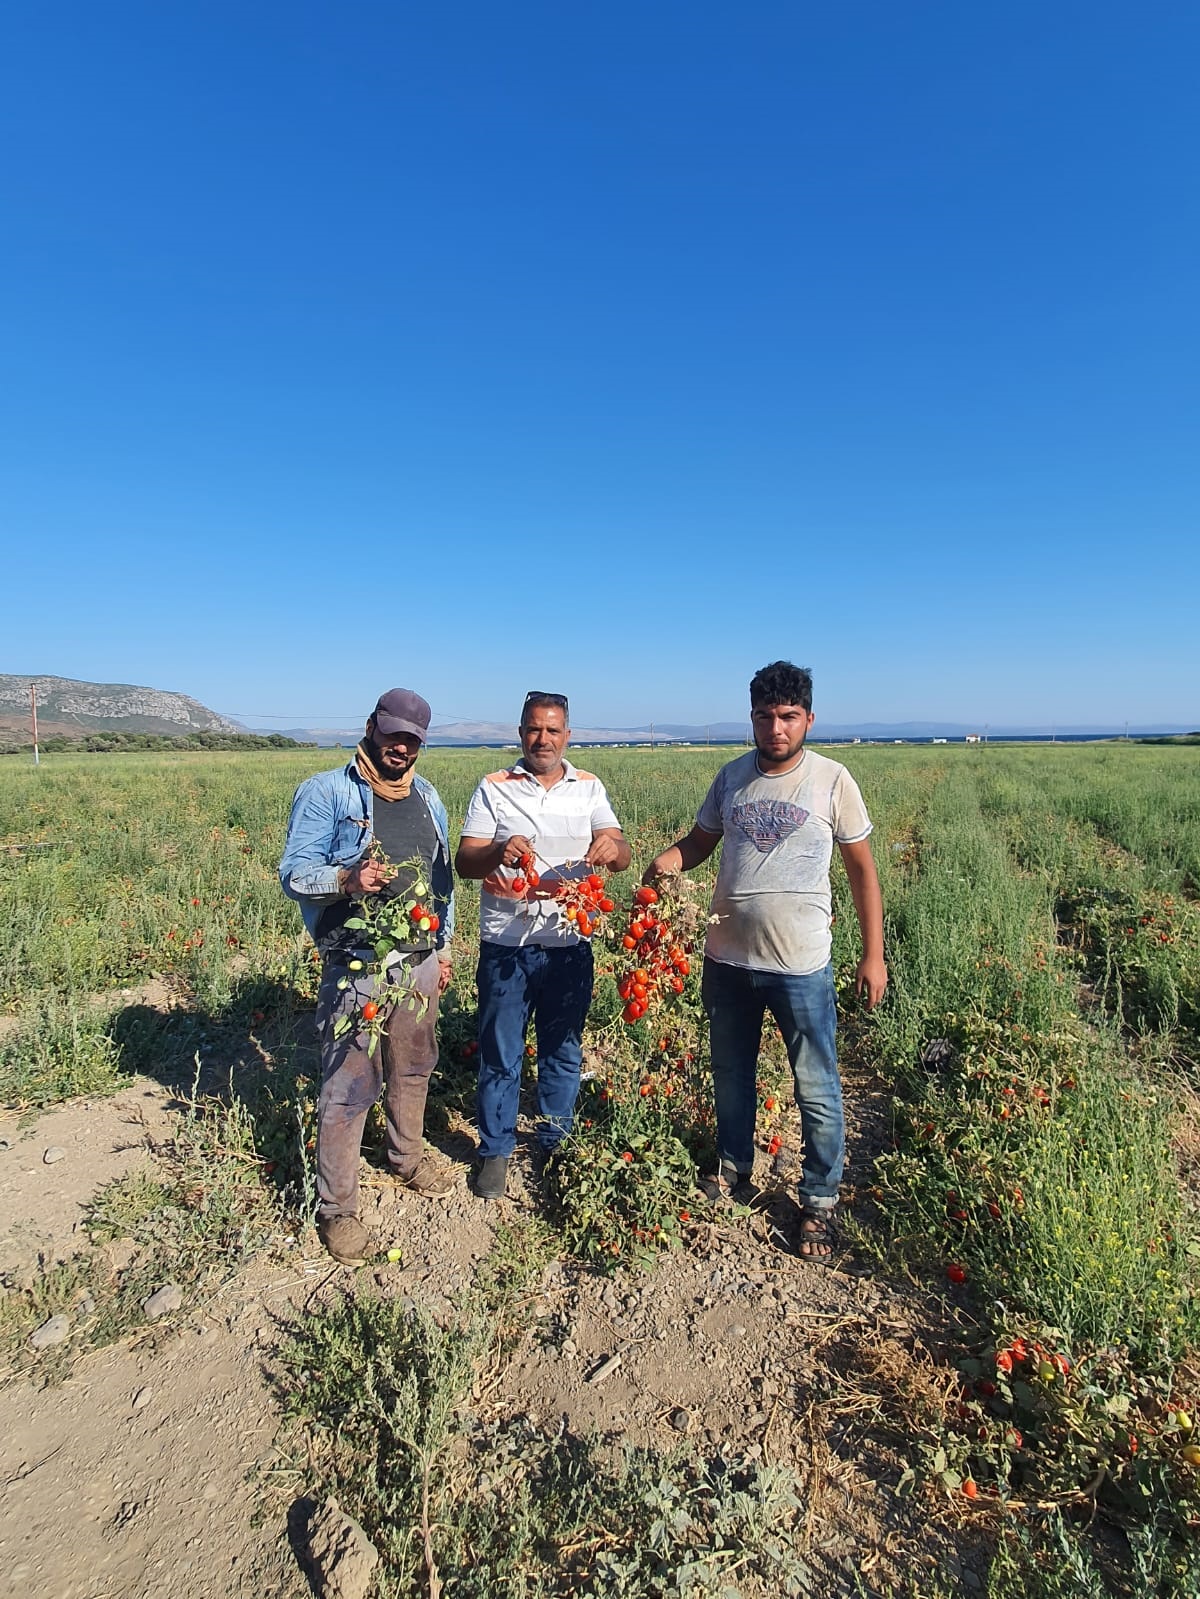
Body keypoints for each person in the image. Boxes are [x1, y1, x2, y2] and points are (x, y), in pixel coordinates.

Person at [644, 661, 887, 1262]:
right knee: (731, 1074)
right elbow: (700, 843)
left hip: (801, 965)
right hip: (726, 960)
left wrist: (872, 955)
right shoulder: (730, 779)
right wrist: (667, 863)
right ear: (751, 718)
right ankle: (733, 1170)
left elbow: (862, 871)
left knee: (817, 1086)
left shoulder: (832, 780)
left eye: (787, 717)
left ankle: (819, 1201)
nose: (775, 728)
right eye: (764, 716)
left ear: (808, 718)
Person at [279, 688, 457, 1266]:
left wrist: (444, 946)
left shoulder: (428, 796)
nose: (400, 747)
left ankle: (405, 1158)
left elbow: (442, 879)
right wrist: (348, 879)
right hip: (358, 961)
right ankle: (338, 1208)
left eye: (412, 739)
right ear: (371, 727)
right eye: (393, 733)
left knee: (412, 1065)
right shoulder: (327, 792)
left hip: (419, 959)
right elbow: (294, 874)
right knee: (350, 1084)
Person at [455, 691, 631, 1200]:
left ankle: (556, 1141)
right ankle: (495, 1149)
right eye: (534, 729)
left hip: (569, 942)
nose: (543, 739)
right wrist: (496, 851)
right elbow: (467, 863)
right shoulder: (493, 788)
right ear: (521, 733)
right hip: (505, 944)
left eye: (553, 730)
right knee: (500, 1051)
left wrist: (611, 849)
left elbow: (619, 854)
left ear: (567, 735)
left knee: (563, 1047)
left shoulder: (590, 788)